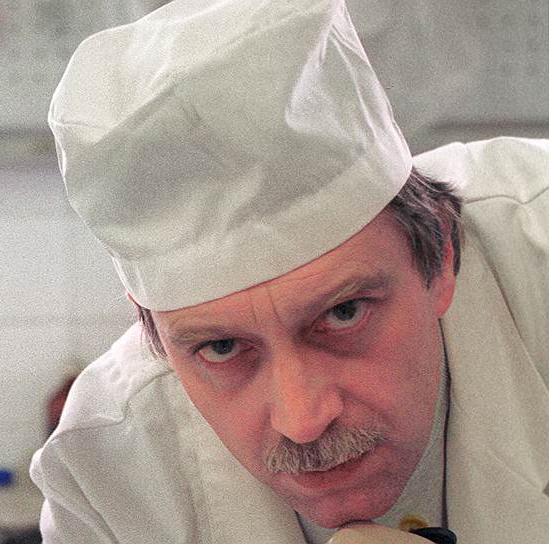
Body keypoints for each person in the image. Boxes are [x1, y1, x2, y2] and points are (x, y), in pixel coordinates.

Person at [28, 0, 549, 542]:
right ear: (154, 334)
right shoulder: (109, 473)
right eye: (221, 348)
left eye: (343, 314)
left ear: (440, 252)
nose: (303, 420)